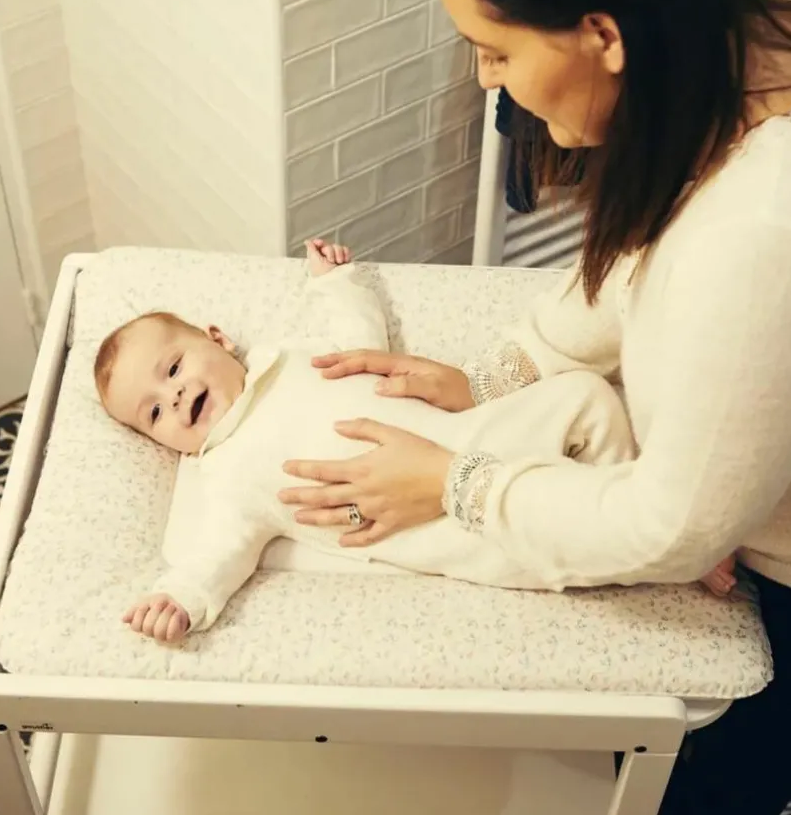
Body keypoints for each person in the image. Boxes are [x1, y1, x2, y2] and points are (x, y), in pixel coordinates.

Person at [276, 0, 791, 812]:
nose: (487, 83)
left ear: (603, 34)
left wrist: (455, 485)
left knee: (718, 775)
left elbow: (669, 528)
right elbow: (636, 258)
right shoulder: (751, 35)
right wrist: (500, 375)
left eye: (496, 51)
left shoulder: (772, 236)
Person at [95, 240, 737, 645]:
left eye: (173, 369)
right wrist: (181, 597)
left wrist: (334, 283)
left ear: (216, 337)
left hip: (474, 435)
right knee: (565, 548)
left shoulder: (295, 356)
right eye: (154, 413)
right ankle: (661, 557)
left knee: (588, 400)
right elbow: (220, 553)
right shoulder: (230, 475)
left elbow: (362, 340)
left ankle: (651, 513)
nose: (174, 399)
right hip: (456, 529)